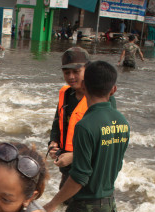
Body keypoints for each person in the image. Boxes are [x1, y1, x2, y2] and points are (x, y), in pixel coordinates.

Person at [43, 61, 129, 212]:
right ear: (113, 89)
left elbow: (79, 178)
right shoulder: (122, 122)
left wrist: (52, 204)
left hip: (84, 207)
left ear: (84, 86)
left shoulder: (86, 126)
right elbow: (115, 164)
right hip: (108, 204)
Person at [48, 48, 117, 189]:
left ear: (88, 70)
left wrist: (74, 156)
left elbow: (106, 140)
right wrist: (53, 143)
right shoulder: (66, 95)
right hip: (67, 166)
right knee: (64, 204)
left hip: (89, 170)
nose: (71, 77)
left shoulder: (102, 97)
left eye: (76, 71)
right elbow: (57, 123)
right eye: (67, 73)